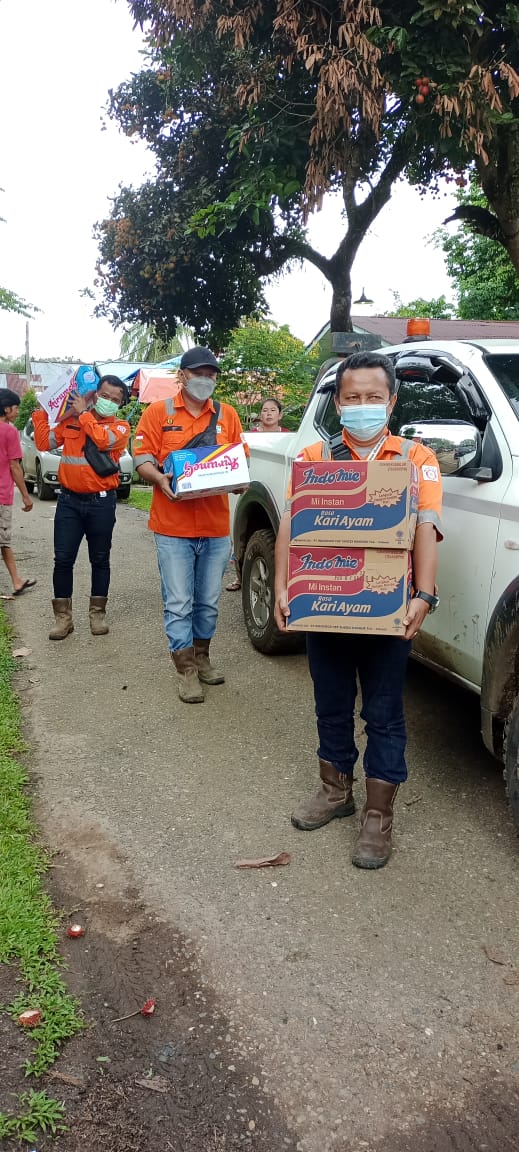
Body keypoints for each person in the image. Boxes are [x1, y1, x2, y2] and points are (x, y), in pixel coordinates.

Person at [274, 351, 443, 870]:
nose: (363, 407)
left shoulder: (417, 460)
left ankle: (378, 816)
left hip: (386, 610)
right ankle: (335, 791)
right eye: (352, 398)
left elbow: (426, 528)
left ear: (391, 401)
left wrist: (424, 595)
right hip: (325, 604)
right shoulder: (313, 458)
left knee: (385, 713)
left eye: (373, 397)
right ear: (338, 404)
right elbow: (291, 527)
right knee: (331, 702)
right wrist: (283, 587)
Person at [133, 346, 245, 704]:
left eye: (211, 374)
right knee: (179, 601)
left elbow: (239, 459)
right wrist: (158, 478)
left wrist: (240, 478)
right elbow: (142, 458)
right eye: (198, 373)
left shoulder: (227, 415)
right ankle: (185, 670)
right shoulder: (158, 413)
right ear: (181, 376)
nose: (205, 380)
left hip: (214, 527)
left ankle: (202, 657)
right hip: (172, 527)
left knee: (209, 602)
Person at [33, 375, 130, 639]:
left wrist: (84, 414)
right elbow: (44, 443)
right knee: (63, 560)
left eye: (115, 399)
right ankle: (63, 619)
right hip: (68, 502)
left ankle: (97, 615)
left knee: (100, 559)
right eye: (105, 395)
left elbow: (101, 440)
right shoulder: (71, 422)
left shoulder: (121, 428)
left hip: (101, 502)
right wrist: (42, 414)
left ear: (120, 404)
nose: (108, 402)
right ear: (94, 393)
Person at [0, 388, 36, 595]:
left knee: (4, 542)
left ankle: (17, 580)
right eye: (15, 408)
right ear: (6, 408)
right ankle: (16, 581)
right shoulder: (9, 431)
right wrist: (25, 495)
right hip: (2, 495)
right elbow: (15, 466)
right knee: (4, 541)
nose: (16, 412)